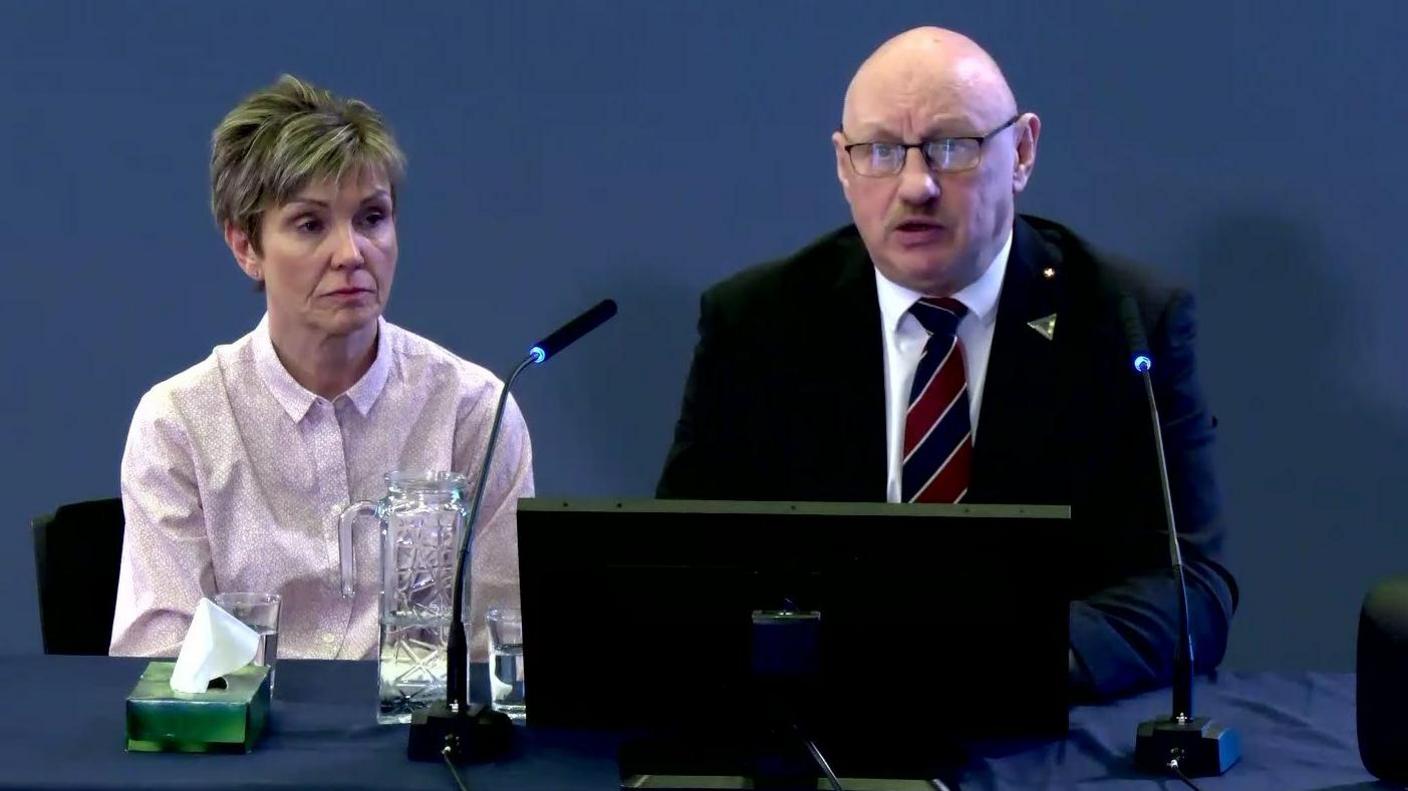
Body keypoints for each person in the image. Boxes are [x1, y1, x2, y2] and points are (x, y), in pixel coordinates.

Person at [657, 27, 1236, 700]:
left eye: (952, 147)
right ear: (843, 166)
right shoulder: (757, 321)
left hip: (1040, 728)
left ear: (1021, 151)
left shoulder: (1123, 320)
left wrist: (1000, 652)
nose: (916, 186)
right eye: (879, 152)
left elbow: (1191, 583)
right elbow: (683, 563)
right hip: (824, 722)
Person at [111, 75, 533, 661]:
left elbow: (502, 638)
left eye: (372, 218)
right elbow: (157, 651)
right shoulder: (179, 423)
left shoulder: (473, 412)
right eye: (311, 224)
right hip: (246, 740)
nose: (352, 253)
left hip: (421, 743)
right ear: (245, 247)